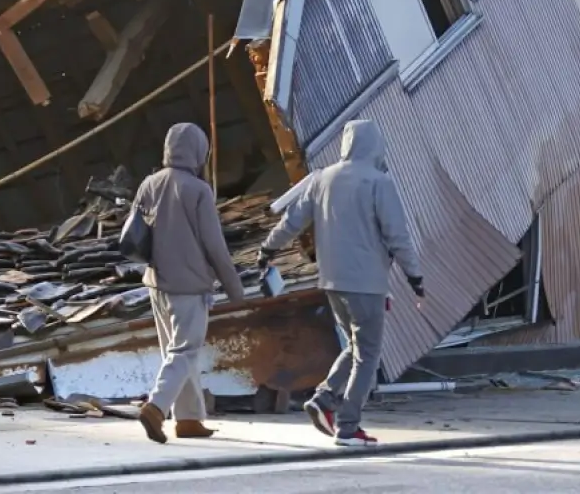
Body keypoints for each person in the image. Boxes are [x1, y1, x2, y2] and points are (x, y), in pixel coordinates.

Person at [258, 119, 424, 447]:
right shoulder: (379, 182)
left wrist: (269, 248)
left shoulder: (322, 179)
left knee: (353, 345)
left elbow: (293, 220)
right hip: (367, 283)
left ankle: (324, 397)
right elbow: (397, 236)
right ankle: (348, 426)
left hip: (332, 281)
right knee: (368, 355)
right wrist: (415, 275)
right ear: (376, 146)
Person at [135, 122, 246, 445]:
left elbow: (135, 234)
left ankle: (188, 419)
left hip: (156, 282)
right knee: (185, 351)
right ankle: (156, 407)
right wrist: (234, 288)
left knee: (176, 351)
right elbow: (215, 246)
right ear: (200, 152)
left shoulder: (149, 184)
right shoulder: (198, 190)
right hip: (189, 285)